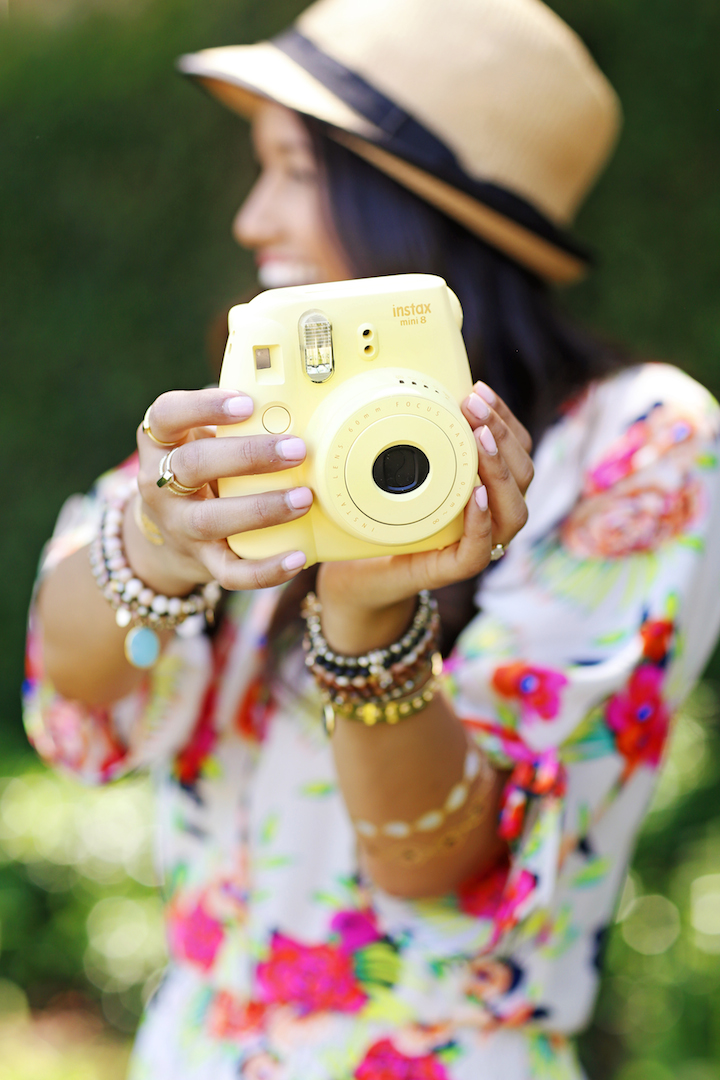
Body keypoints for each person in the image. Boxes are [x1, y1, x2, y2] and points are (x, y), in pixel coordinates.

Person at [24, 0, 720, 1077]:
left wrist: (368, 620)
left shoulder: (642, 446)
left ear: (418, 206)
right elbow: (72, 674)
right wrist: (159, 540)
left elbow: (444, 867)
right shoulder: (262, 408)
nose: (254, 219)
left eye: (295, 169)